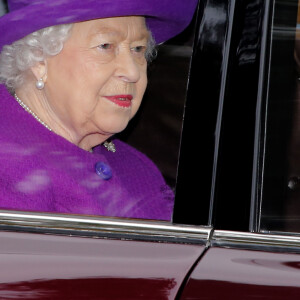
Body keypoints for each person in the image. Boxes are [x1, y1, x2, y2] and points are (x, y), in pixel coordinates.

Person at [0, 0, 198, 220]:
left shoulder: (137, 166)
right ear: (38, 59)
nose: (132, 71)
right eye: (105, 46)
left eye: (138, 49)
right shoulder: (7, 167)